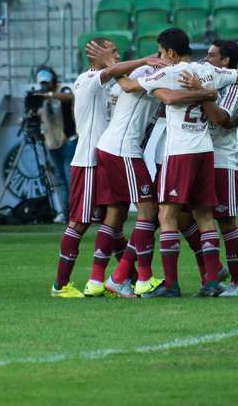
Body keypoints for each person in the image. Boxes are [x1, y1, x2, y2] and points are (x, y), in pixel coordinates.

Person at [119, 28, 238, 297]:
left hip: (180, 152)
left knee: (166, 215)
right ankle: (212, 282)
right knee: (204, 218)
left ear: (169, 52)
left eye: (160, 52)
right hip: (205, 150)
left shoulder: (168, 72)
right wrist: (210, 90)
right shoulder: (209, 73)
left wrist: (113, 68)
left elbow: (130, 86)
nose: (159, 57)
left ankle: (171, 284)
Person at [51, 39, 166, 298]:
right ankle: (61, 285)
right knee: (79, 223)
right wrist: (145, 60)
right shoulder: (87, 79)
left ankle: (121, 279)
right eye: (113, 51)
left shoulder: (110, 85)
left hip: (105, 158)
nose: (118, 55)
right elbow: (115, 72)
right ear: (98, 56)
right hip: (88, 161)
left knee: (114, 220)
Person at [183, 40, 238, 297]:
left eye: (212, 55)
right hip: (199, 156)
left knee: (225, 221)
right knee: (187, 217)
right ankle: (213, 277)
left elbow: (219, 119)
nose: (206, 59)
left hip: (223, 161)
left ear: (226, 62)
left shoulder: (233, 86)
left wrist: (200, 91)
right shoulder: (207, 76)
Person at [33, 66, 76, 221]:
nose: (45, 85)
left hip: (68, 139)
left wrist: (49, 94)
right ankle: (65, 212)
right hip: (51, 141)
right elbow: (36, 114)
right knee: (59, 179)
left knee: (70, 177)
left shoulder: (62, 89)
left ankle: (75, 212)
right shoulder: (39, 96)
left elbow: (69, 97)